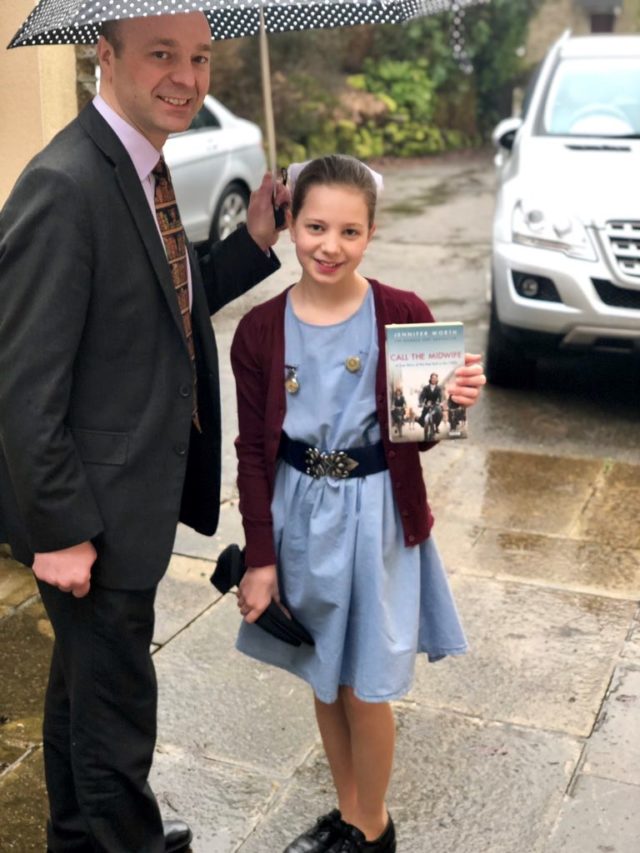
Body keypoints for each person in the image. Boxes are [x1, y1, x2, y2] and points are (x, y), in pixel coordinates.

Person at [0, 12, 287, 853]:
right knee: (118, 723)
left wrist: (257, 240)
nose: (187, 76)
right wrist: (59, 530)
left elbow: (171, 296)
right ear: (107, 55)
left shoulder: (141, 169)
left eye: (199, 57)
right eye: (162, 53)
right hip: (90, 513)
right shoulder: (66, 183)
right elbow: (21, 380)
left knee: (84, 696)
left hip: (127, 501)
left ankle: (75, 838)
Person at [229, 155, 485, 853]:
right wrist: (260, 555)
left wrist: (447, 402)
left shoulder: (403, 314)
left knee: (366, 683)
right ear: (290, 224)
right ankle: (349, 811)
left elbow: (419, 440)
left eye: (349, 230)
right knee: (324, 669)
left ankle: (372, 827)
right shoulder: (259, 331)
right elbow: (252, 451)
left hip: (375, 518)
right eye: (314, 226)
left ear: (371, 231)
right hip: (299, 517)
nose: (329, 245)